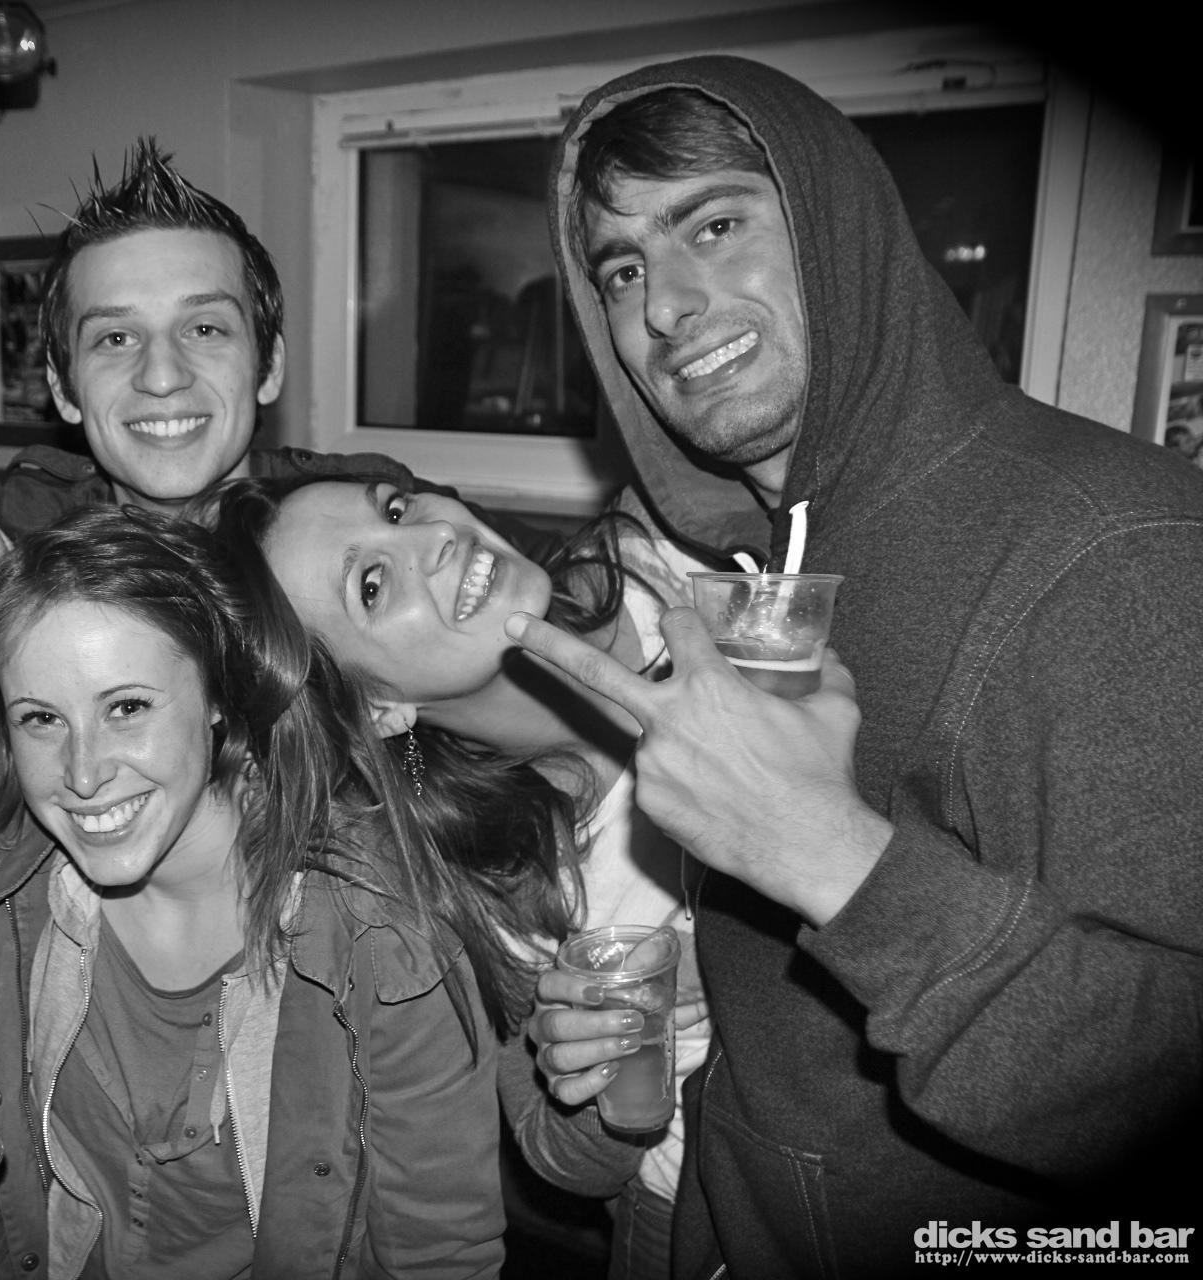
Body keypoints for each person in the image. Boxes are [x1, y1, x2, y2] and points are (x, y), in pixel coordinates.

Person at [506, 56, 1203, 1278]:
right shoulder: (768, 561)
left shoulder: (1116, 544)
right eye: (621, 269)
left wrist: (830, 855)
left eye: (714, 225)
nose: (666, 305)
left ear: (838, 229)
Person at [0, 506, 506, 1278]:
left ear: (218, 695)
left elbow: (442, 1254)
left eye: (127, 707)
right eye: (42, 719)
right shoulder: (14, 886)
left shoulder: (382, 942)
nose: (83, 774)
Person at [206, 471, 712, 1279]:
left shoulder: (674, 566)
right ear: (378, 709)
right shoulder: (478, 885)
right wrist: (593, 1063)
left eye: (395, 507)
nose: (434, 535)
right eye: (372, 585)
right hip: (700, 1219)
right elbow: (568, 1161)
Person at [0, 136, 435, 539]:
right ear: (63, 388)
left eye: (204, 329)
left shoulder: (384, 526)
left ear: (269, 367)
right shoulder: (18, 536)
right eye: (117, 338)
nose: (162, 378)